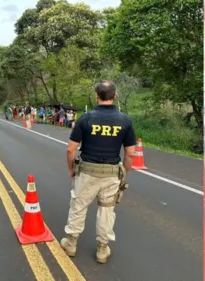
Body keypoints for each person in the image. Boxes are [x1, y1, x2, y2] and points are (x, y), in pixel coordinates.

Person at [60, 80, 137, 264]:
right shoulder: (125, 121)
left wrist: (71, 169)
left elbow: (71, 149)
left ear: (96, 96)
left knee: (78, 207)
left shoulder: (86, 118)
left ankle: (71, 244)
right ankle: (102, 249)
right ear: (115, 96)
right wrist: (123, 173)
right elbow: (131, 153)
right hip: (111, 174)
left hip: (86, 171)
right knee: (106, 210)